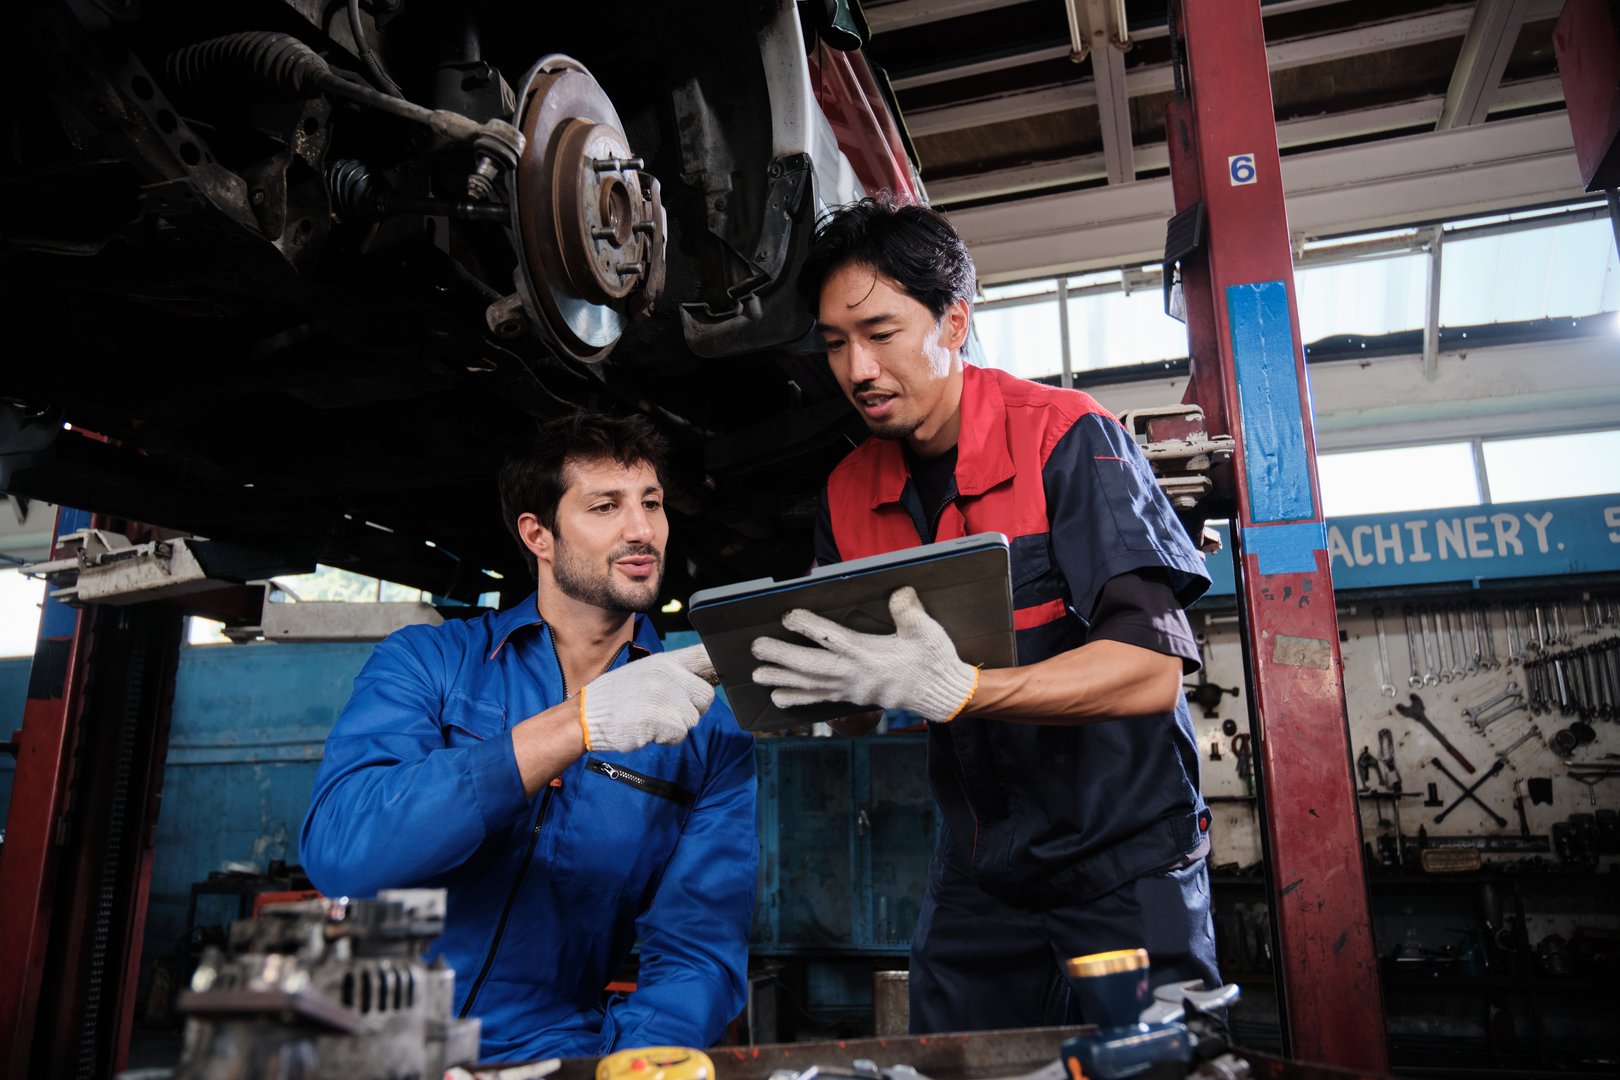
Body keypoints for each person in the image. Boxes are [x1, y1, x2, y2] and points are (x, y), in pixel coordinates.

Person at [750, 197, 1218, 1033]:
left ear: (954, 320)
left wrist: (962, 688)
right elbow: (850, 697)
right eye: (835, 344)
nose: (857, 368)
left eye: (881, 333)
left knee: (1163, 1065)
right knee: (956, 1060)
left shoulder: (1069, 439)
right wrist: (738, 671)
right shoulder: (848, 492)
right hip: (982, 868)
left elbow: (1150, 672)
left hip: (1125, 859)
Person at [300, 412, 757, 1063]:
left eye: (651, 504)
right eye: (606, 506)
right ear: (537, 534)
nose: (641, 531)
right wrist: (575, 726)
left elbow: (699, 950)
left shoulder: (705, 728)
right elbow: (344, 852)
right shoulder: (430, 662)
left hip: (543, 1054)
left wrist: (628, 1064)